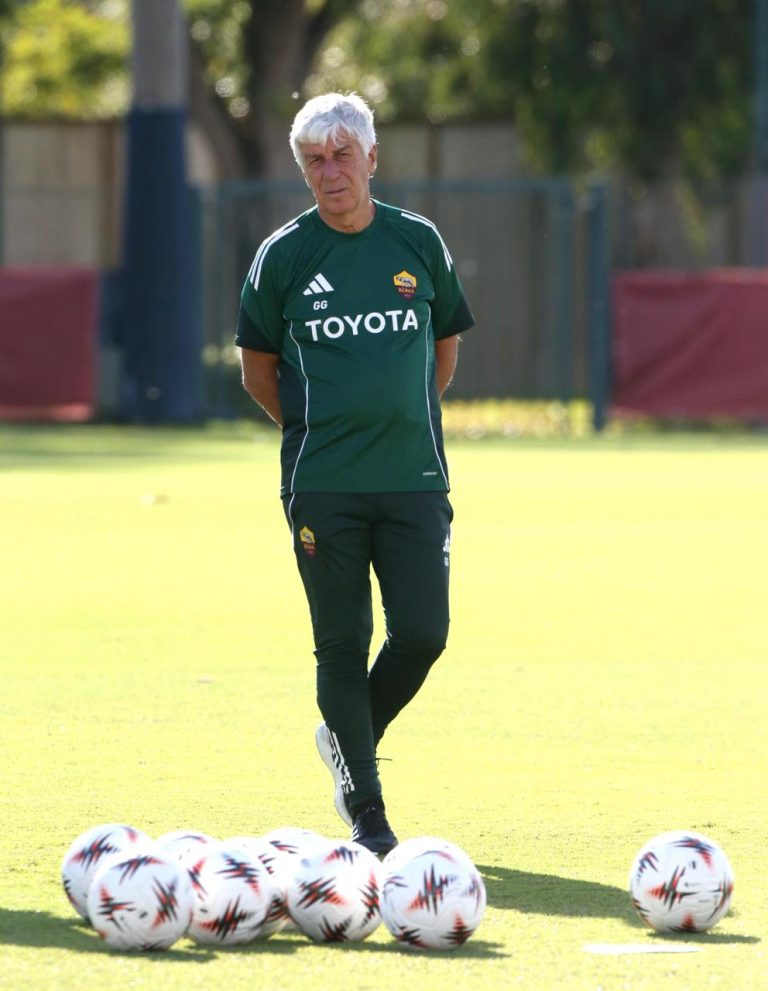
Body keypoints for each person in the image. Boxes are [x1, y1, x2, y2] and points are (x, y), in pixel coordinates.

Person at [236, 92, 475, 855]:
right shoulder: (282, 256)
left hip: (414, 477)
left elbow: (443, 348)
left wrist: (400, 416)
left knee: (424, 633)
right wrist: (322, 431)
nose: (330, 170)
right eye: (315, 159)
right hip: (324, 484)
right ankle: (368, 814)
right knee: (341, 643)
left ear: (372, 157)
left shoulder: (418, 241)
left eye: (343, 154)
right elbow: (256, 370)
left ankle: (344, 734)